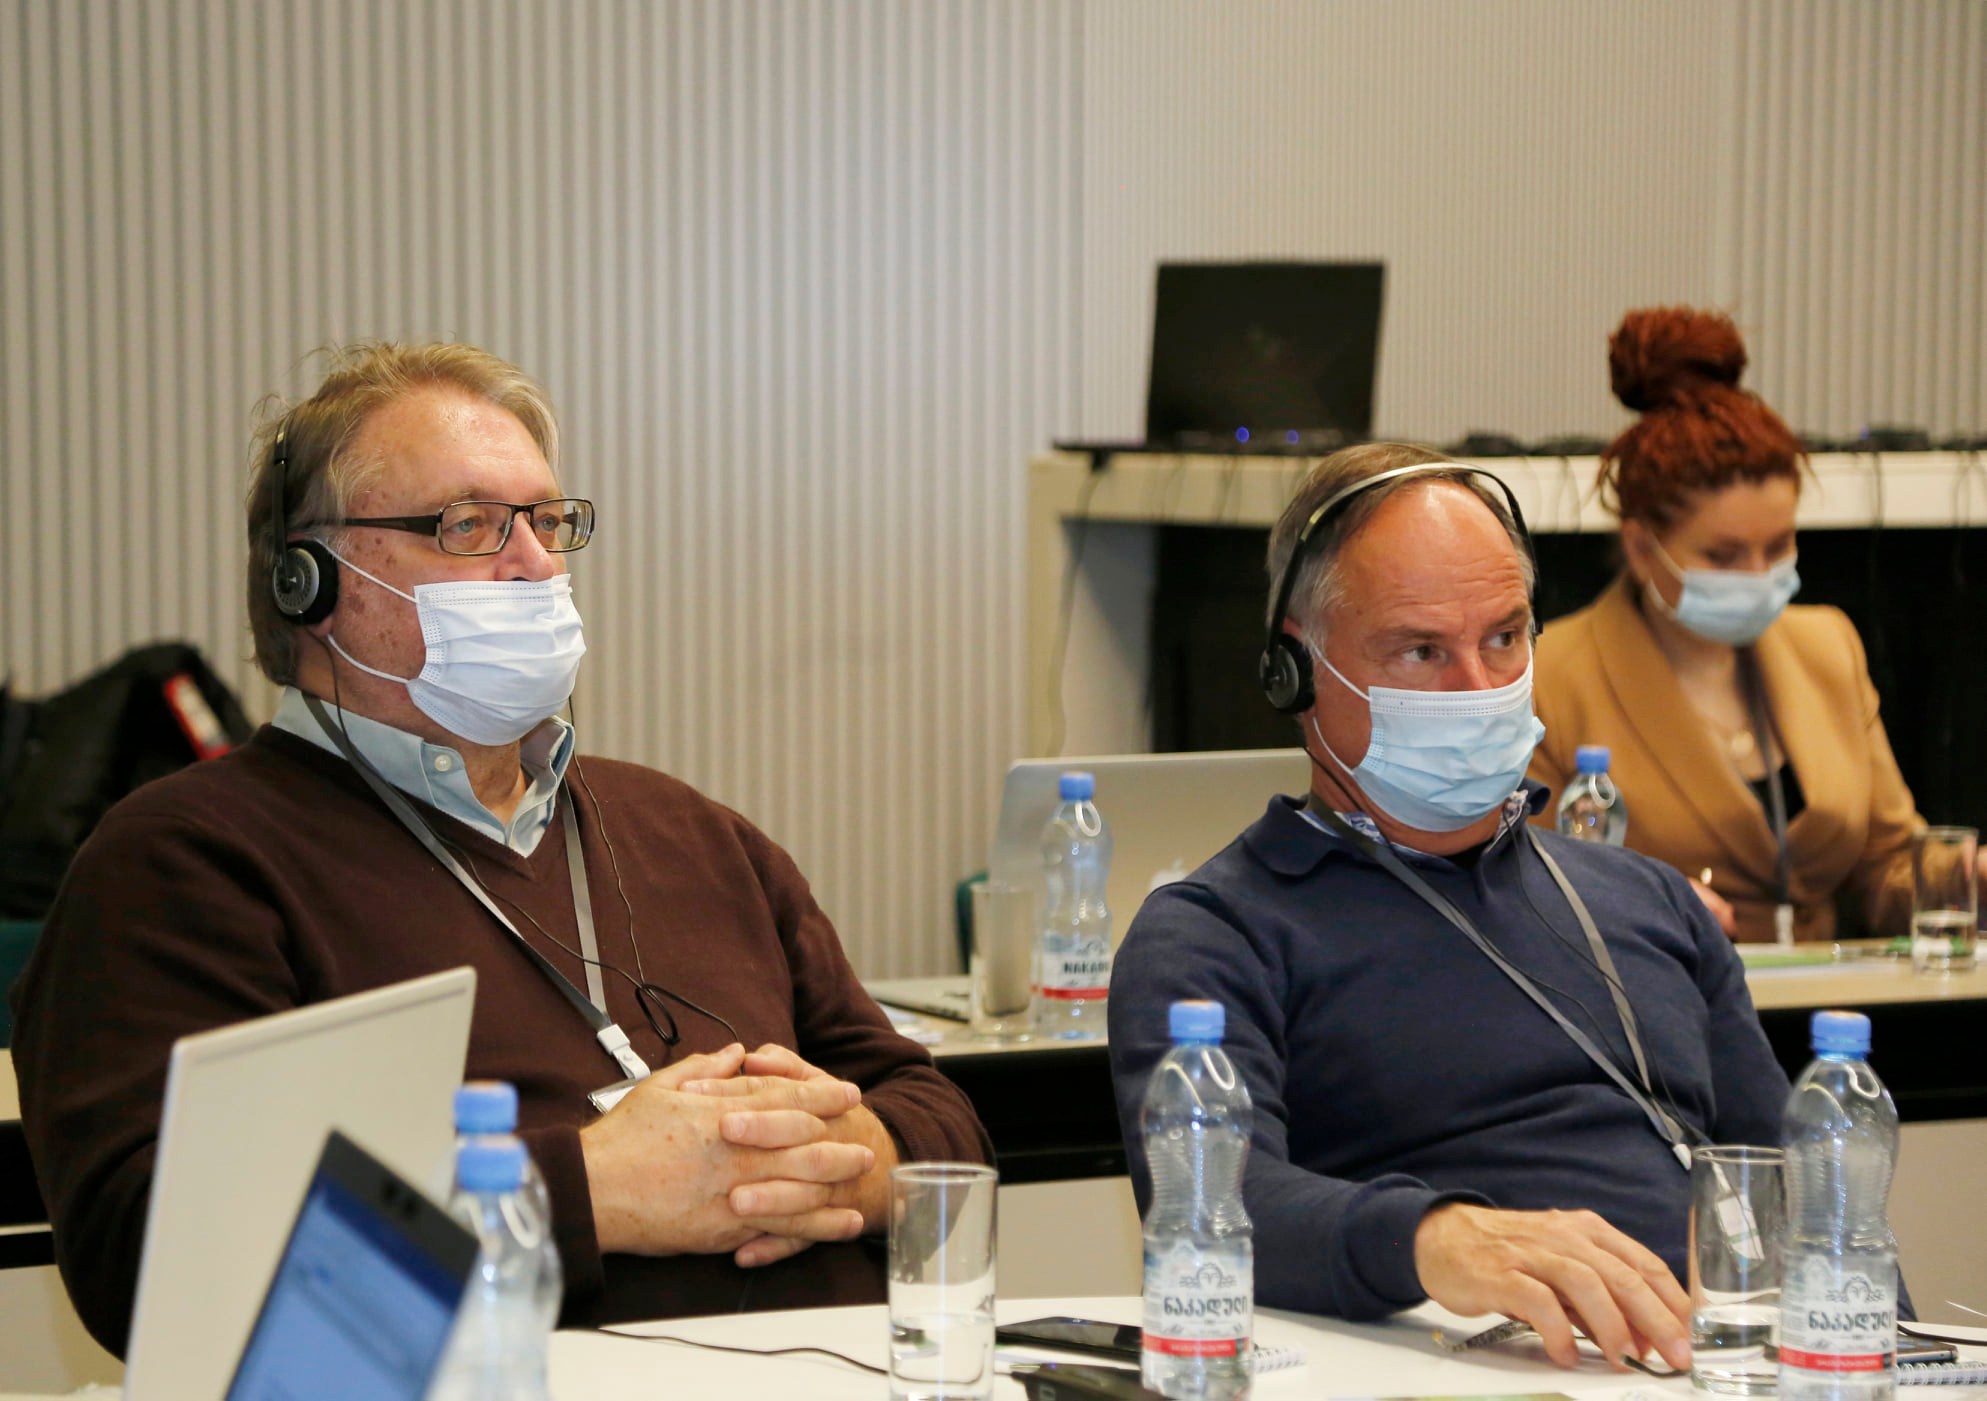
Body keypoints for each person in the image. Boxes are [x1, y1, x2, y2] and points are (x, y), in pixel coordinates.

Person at [8, 342, 991, 1354]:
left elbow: (938, 1115)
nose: (535, 564)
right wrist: (590, 1189)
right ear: (310, 580)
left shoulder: (695, 833)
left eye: (548, 522)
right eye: (469, 524)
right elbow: (155, 1260)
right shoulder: (181, 866)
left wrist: (841, 1160)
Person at [1108, 442, 1795, 1374]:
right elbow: (1211, 1204)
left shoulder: (1650, 900)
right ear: (1296, 672)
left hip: (1728, 1366)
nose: (1478, 688)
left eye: (1503, 638)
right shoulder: (1214, 934)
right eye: (1422, 650)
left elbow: (1805, 1203)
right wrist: (1436, 1237)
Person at [1528, 306, 1978, 943]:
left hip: (1832, 997)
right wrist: (1638, 904)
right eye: (1724, 555)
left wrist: (1964, 875)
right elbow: (1530, 895)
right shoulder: (1552, 676)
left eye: (1779, 546)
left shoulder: (1827, 646)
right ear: (1641, 547)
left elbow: (1887, 868)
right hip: (1659, 993)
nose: (1759, 574)